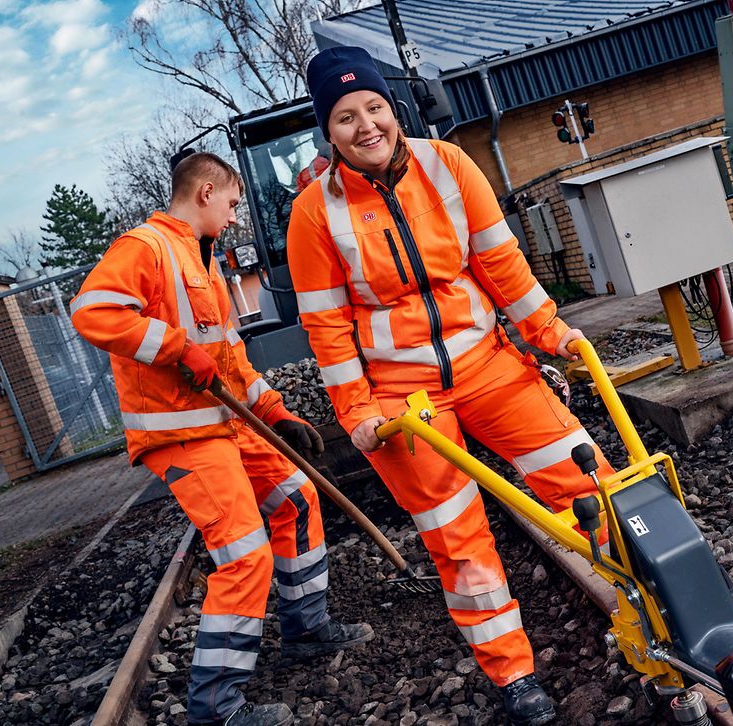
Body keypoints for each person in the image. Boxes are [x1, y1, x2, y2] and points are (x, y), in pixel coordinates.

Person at [287, 47, 618, 726]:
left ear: (393, 109)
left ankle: (653, 599)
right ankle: (515, 678)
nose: (365, 125)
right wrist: (357, 412)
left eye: (374, 107)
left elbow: (501, 263)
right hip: (403, 405)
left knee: (590, 483)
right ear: (329, 131)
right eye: (345, 117)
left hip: (491, 366)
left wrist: (551, 331)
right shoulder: (312, 215)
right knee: (456, 538)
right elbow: (328, 330)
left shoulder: (449, 164)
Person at [70, 152, 373, 726]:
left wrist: (277, 413)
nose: (235, 217)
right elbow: (92, 310)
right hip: (182, 433)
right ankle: (216, 707)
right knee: (242, 553)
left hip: (225, 422)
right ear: (206, 192)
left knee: (295, 497)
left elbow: (228, 362)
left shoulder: (204, 264)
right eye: (232, 203)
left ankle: (306, 629)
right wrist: (175, 348)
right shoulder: (148, 247)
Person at [295, 127, 333, 193]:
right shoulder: (303, 177)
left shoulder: (350, 159)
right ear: (316, 145)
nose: (328, 144)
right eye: (323, 141)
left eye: (329, 140)